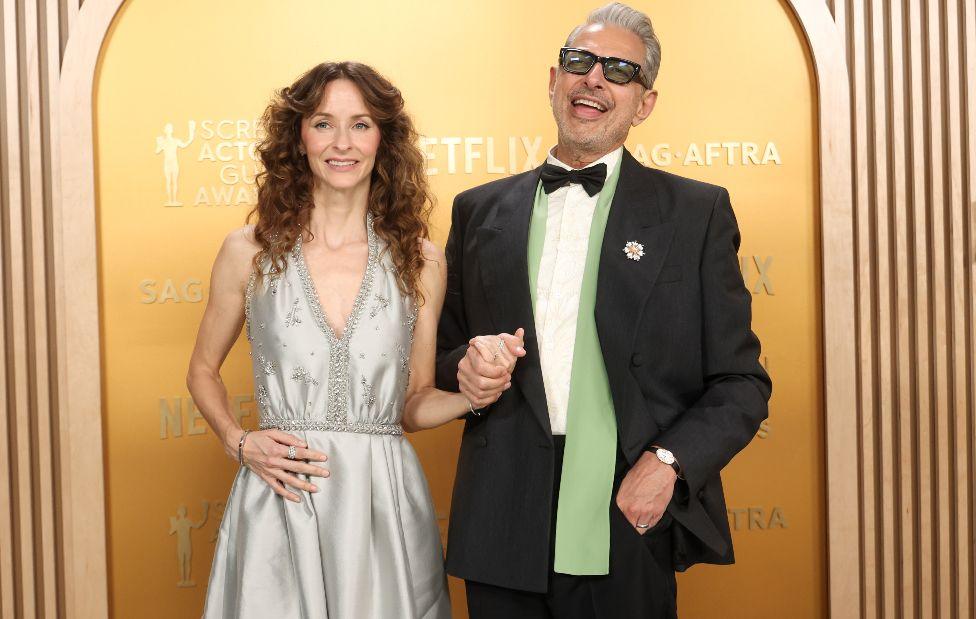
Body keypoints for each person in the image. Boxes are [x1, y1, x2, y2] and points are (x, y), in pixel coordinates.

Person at [434, 3, 772, 618]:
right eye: (579, 62)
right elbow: (440, 354)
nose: (594, 79)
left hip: (627, 511)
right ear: (554, 80)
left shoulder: (696, 215)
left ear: (644, 104)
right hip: (500, 516)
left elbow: (741, 384)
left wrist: (669, 463)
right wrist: (464, 366)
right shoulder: (477, 210)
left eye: (620, 70)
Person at [187, 61, 466, 618]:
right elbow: (202, 370)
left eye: (360, 124)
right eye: (323, 123)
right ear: (299, 137)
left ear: (384, 139)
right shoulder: (248, 250)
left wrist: (471, 399)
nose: (342, 143)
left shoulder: (422, 261)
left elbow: (412, 403)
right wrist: (239, 442)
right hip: (281, 497)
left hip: (383, 504)